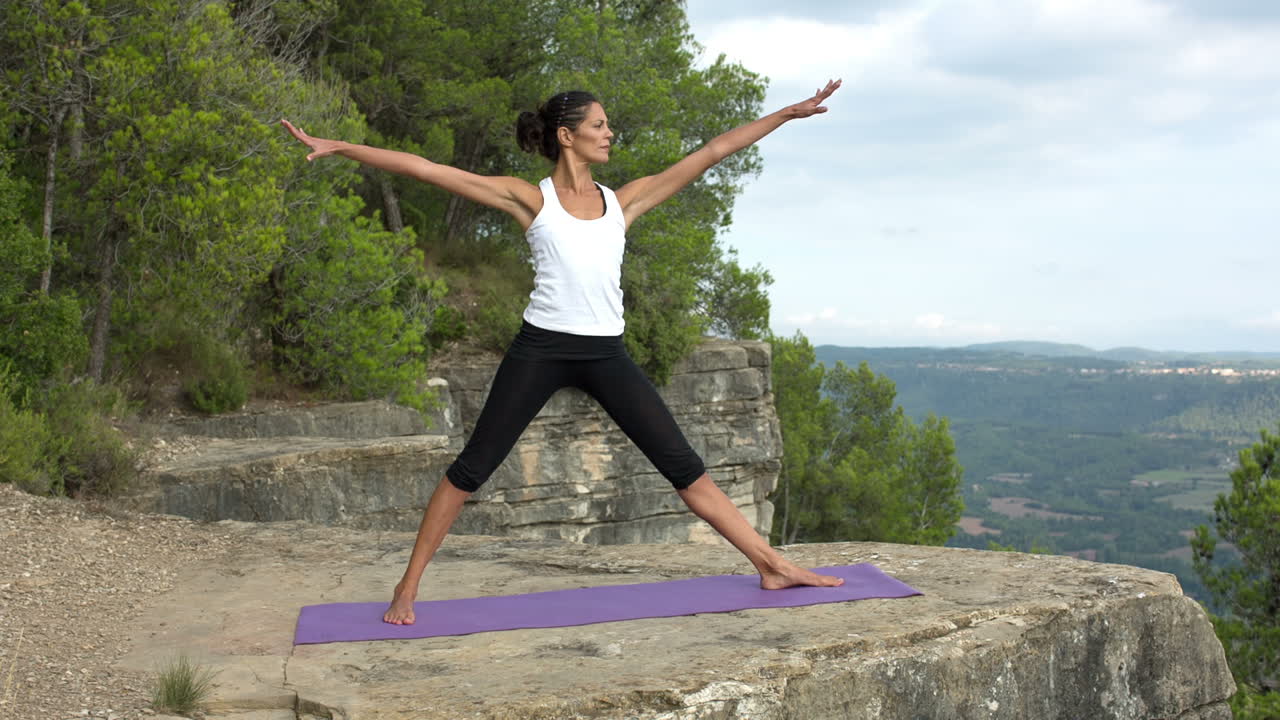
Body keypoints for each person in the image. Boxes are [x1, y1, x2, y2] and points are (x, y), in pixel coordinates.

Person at [281, 78, 845, 626]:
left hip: (607, 354)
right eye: (599, 125)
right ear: (567, 135)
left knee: (684, 468)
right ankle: (408, 586)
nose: (610, 133)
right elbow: (427, 169)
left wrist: (785, 115)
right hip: (542, 349)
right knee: (471, 469)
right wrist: (339, 147)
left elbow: (714, 150)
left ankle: (771, 565)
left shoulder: (623, 201)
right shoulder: (531, 199)